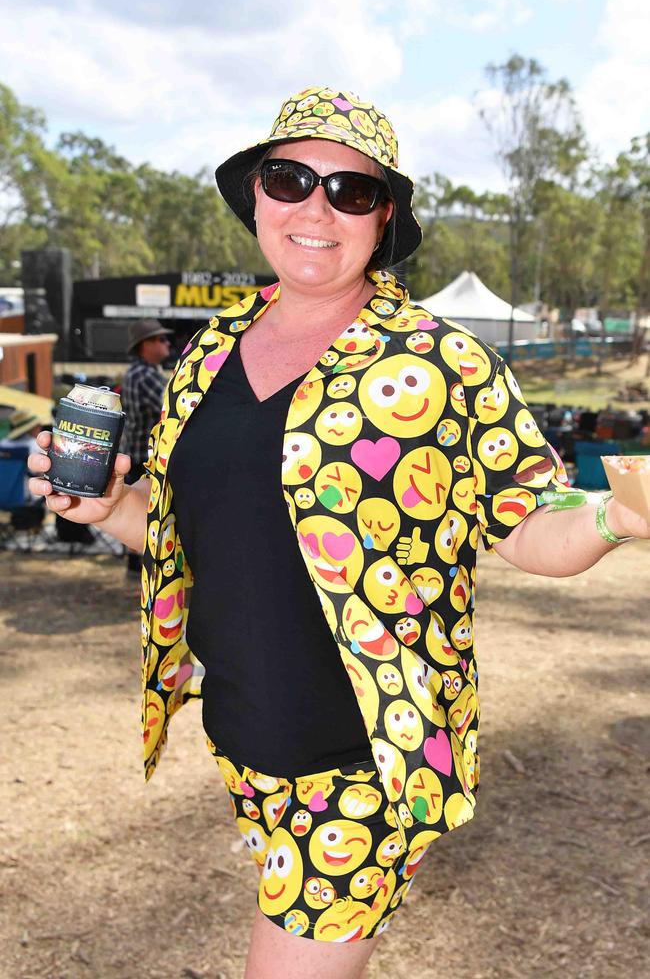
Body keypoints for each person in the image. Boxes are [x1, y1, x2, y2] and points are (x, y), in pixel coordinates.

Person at [28, 87, 650, 979]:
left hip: (367, 757)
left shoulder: (443, 361)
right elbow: (183, 536)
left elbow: (529, 527)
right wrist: (107, 509)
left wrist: (615, 514)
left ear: (384, 216)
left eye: (351, 191)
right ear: (256, 198)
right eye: (290, 179)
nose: (315, 208)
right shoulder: (208, 354)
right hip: (246, 736)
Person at [120, 318, 173, 573]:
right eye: (161, 339)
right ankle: (144, 567)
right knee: (150, 514)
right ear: (146, 344)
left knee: (141, 512)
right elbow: (173, 410)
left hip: (136, 453)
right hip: (147, 456)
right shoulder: (146, 375)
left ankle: (136, 565)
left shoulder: (135, 372)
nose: (167, 343)